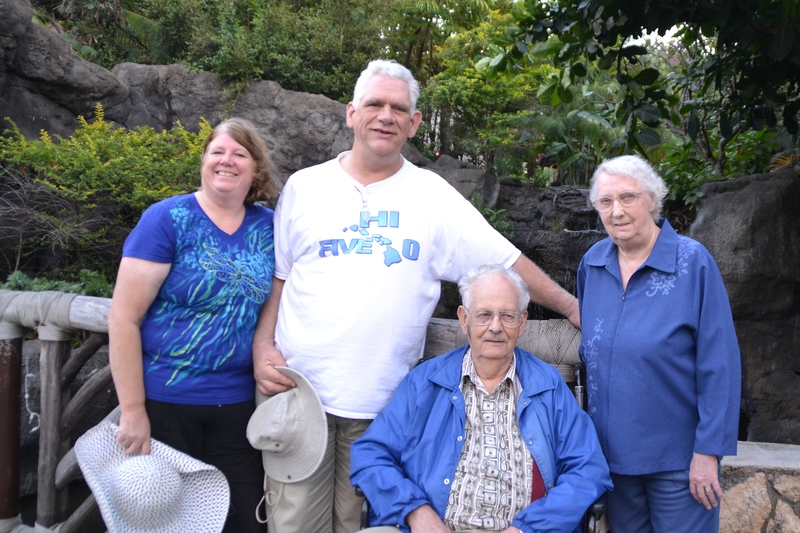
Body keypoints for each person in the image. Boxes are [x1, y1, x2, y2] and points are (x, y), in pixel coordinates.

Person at [252, 59, 583, 533]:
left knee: (361, 525)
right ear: (351, 113)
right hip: (298, 394)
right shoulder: (305, 188)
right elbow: (280, 279)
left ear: (414, 122)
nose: (385, 115)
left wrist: (571, 305)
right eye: (374, 104)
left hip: (384, 412)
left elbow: (505, 262)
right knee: (293, 525)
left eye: (398, 108)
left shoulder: (433, 196)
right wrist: (263, 345)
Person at [107, 117, 278, 533]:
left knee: (244, 523)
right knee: (170, 523)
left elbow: (279, 295)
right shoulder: (167, 218)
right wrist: (132, 411)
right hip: (166, 403)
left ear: (255, 169)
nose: (227, 161)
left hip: (238, 406)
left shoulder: (269, 226)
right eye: (217, 151)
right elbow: (123, 318)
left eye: (239, 154)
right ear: (203, 160)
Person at [350, 264, 611, 533]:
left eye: (507, 316)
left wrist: (527, 529)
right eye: (484, 315)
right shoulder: (425, 382)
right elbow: (371, 454)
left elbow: (588, 469)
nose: (495, 327)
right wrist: (416, 512)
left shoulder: (548, 386)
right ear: (464, 320)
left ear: (522, 322)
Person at [577, 154, 741, 532]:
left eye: (628, 197)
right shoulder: (593, 263)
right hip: (613, 461)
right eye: (605, 201)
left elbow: (721, 364)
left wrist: (708, 452)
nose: (616, 211)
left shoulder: (693, 262)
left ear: (652, 199)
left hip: (680, 463)